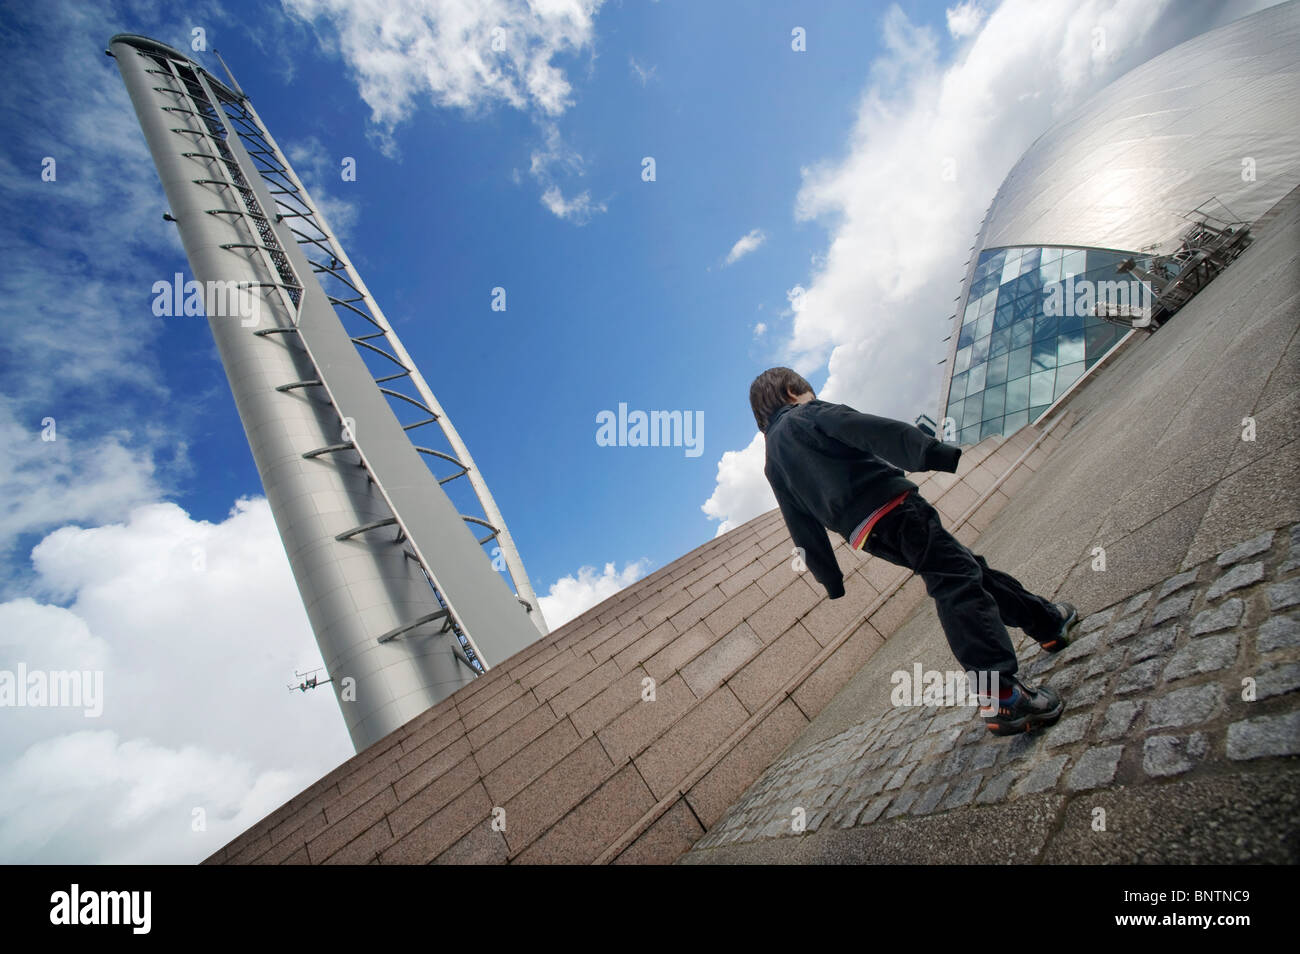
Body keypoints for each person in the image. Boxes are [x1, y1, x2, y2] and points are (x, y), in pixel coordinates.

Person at [750, 367, 1079, 736]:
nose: (813, 395)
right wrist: (932, 452)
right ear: (792, 392)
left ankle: (1047, 622)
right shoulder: (808, 415)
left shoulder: (772, 463)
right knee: (956, 582)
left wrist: (829, 577)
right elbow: (872, 431)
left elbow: (800, 525)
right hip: (897, 509)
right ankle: (1000, 694)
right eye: (808, 390)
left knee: (967, 569)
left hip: (868, 536)